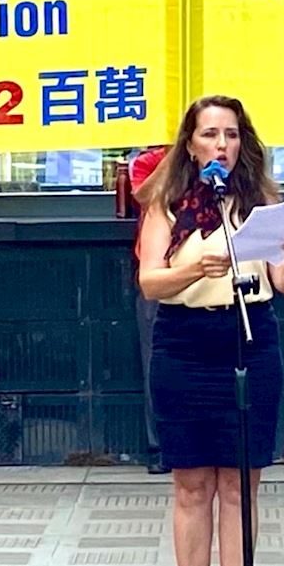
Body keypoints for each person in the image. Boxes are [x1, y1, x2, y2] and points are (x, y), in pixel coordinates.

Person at [137, 95, 284, 566]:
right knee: (192, 485)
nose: (221, 145)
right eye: (210, 134)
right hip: (185, 345)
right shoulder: (166, 201)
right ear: (190, 145)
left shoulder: (261, 202)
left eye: (231, 135)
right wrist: (193, 269)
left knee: (240, 486)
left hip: (250, 339)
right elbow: (151, 283)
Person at [130, 145, 170, 475]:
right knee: (154, 361)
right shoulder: (146, 161)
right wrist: (174, 157)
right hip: (157, 274)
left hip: (205, 274)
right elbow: (144, 195)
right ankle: (158, 445)